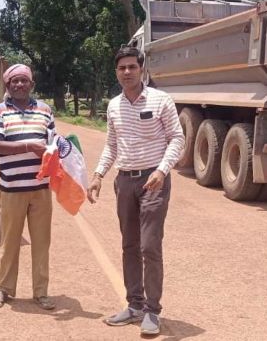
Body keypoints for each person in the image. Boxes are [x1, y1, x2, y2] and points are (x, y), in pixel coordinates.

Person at [88, 46, 184, 335]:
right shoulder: (114, 105)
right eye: (122, 68)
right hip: (125, 182)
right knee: (129, 245)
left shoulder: (160, 100)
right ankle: (134, 306)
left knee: (149, 246)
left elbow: (177, 138)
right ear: (116, 72)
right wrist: (98, 174)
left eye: (132, 66)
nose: (127, 72)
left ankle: (152, 311)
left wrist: (161, 170)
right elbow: (112, 145)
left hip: (153, 181)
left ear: (142, 69)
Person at [0, 64, 56, 311]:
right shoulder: (0, 111)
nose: (19, 85)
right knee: (10, 242)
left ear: (31, 84)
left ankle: (41, 292)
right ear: (7, 85)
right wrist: (29, 146)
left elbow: (53, 144)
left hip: (41, 188)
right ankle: (4, 289)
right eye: (14, 81)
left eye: (23, 80)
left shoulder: (45, 110)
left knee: (41, 243)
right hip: (11, 189)